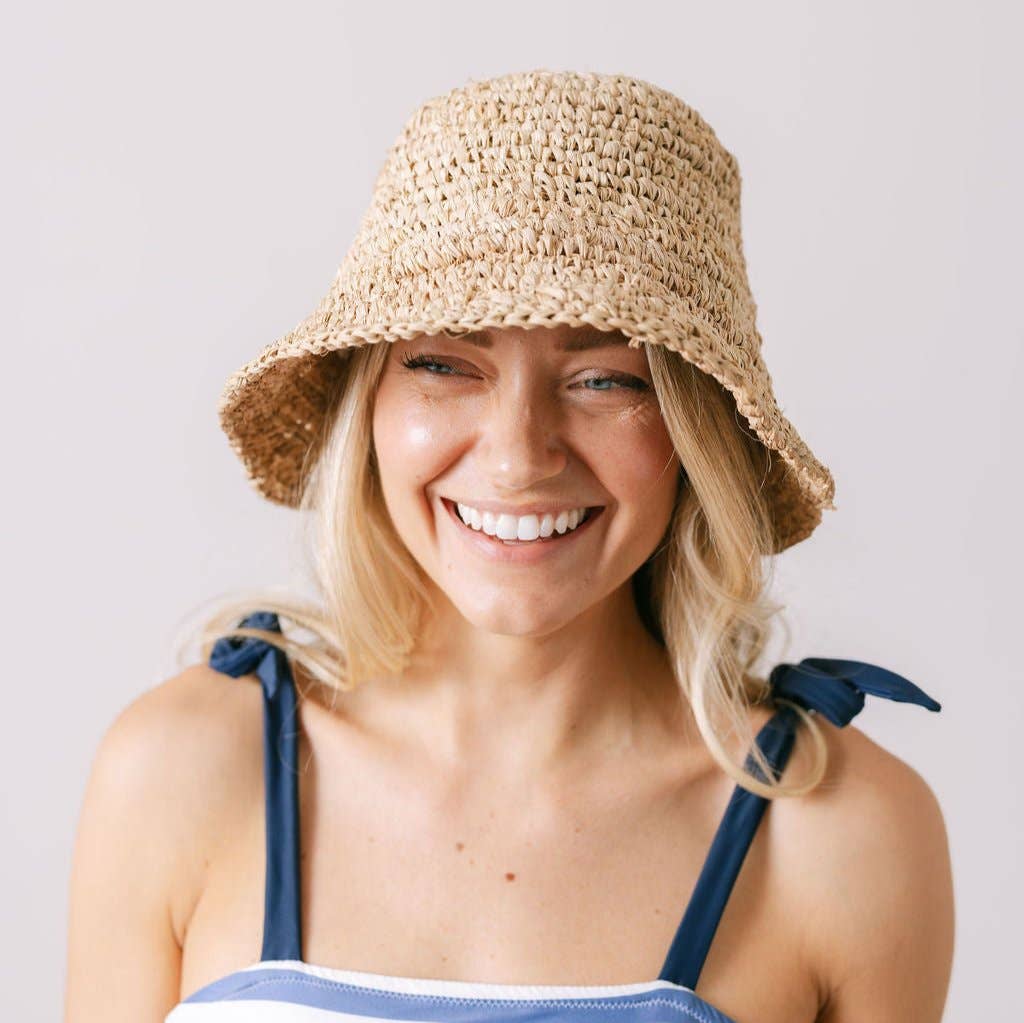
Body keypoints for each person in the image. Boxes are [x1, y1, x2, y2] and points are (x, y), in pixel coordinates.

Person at [64, 70, 954, 1023]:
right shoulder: (181, 770)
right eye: (445, 364)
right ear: (367, 408)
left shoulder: (840, 836)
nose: (519, 456)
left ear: (698, 436)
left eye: (606, 378)